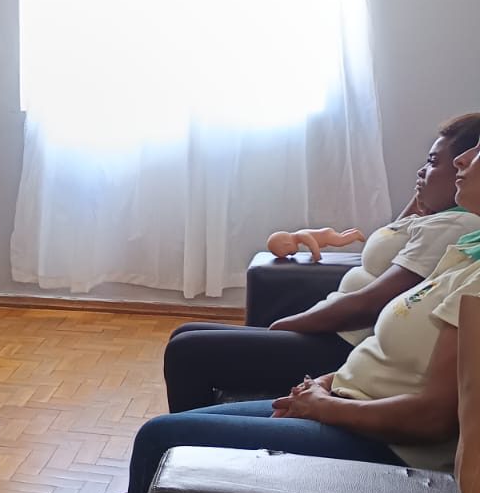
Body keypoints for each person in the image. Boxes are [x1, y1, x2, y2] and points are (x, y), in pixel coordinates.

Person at [0, 138, 480, 493]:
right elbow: (390, 352)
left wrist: (328, 407)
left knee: (161, 438)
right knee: (168, 435)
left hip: (387, 446)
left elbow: (434, 418)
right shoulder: (467, 251)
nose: (461, 160)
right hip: (346, 401)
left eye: (475, 153)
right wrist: (326, 384)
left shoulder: (474, 278)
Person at [161, 113, 480, 414]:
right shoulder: (438, 220)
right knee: (185, 333)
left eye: (432, 162)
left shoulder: (455, 225)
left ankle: (195, 440)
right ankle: (201, 430)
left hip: (344, 343)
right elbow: (393, 232)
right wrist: (427, 194)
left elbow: (370, 304)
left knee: (186, 351)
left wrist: (288, 324)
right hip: (337, 334)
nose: (421, 171)